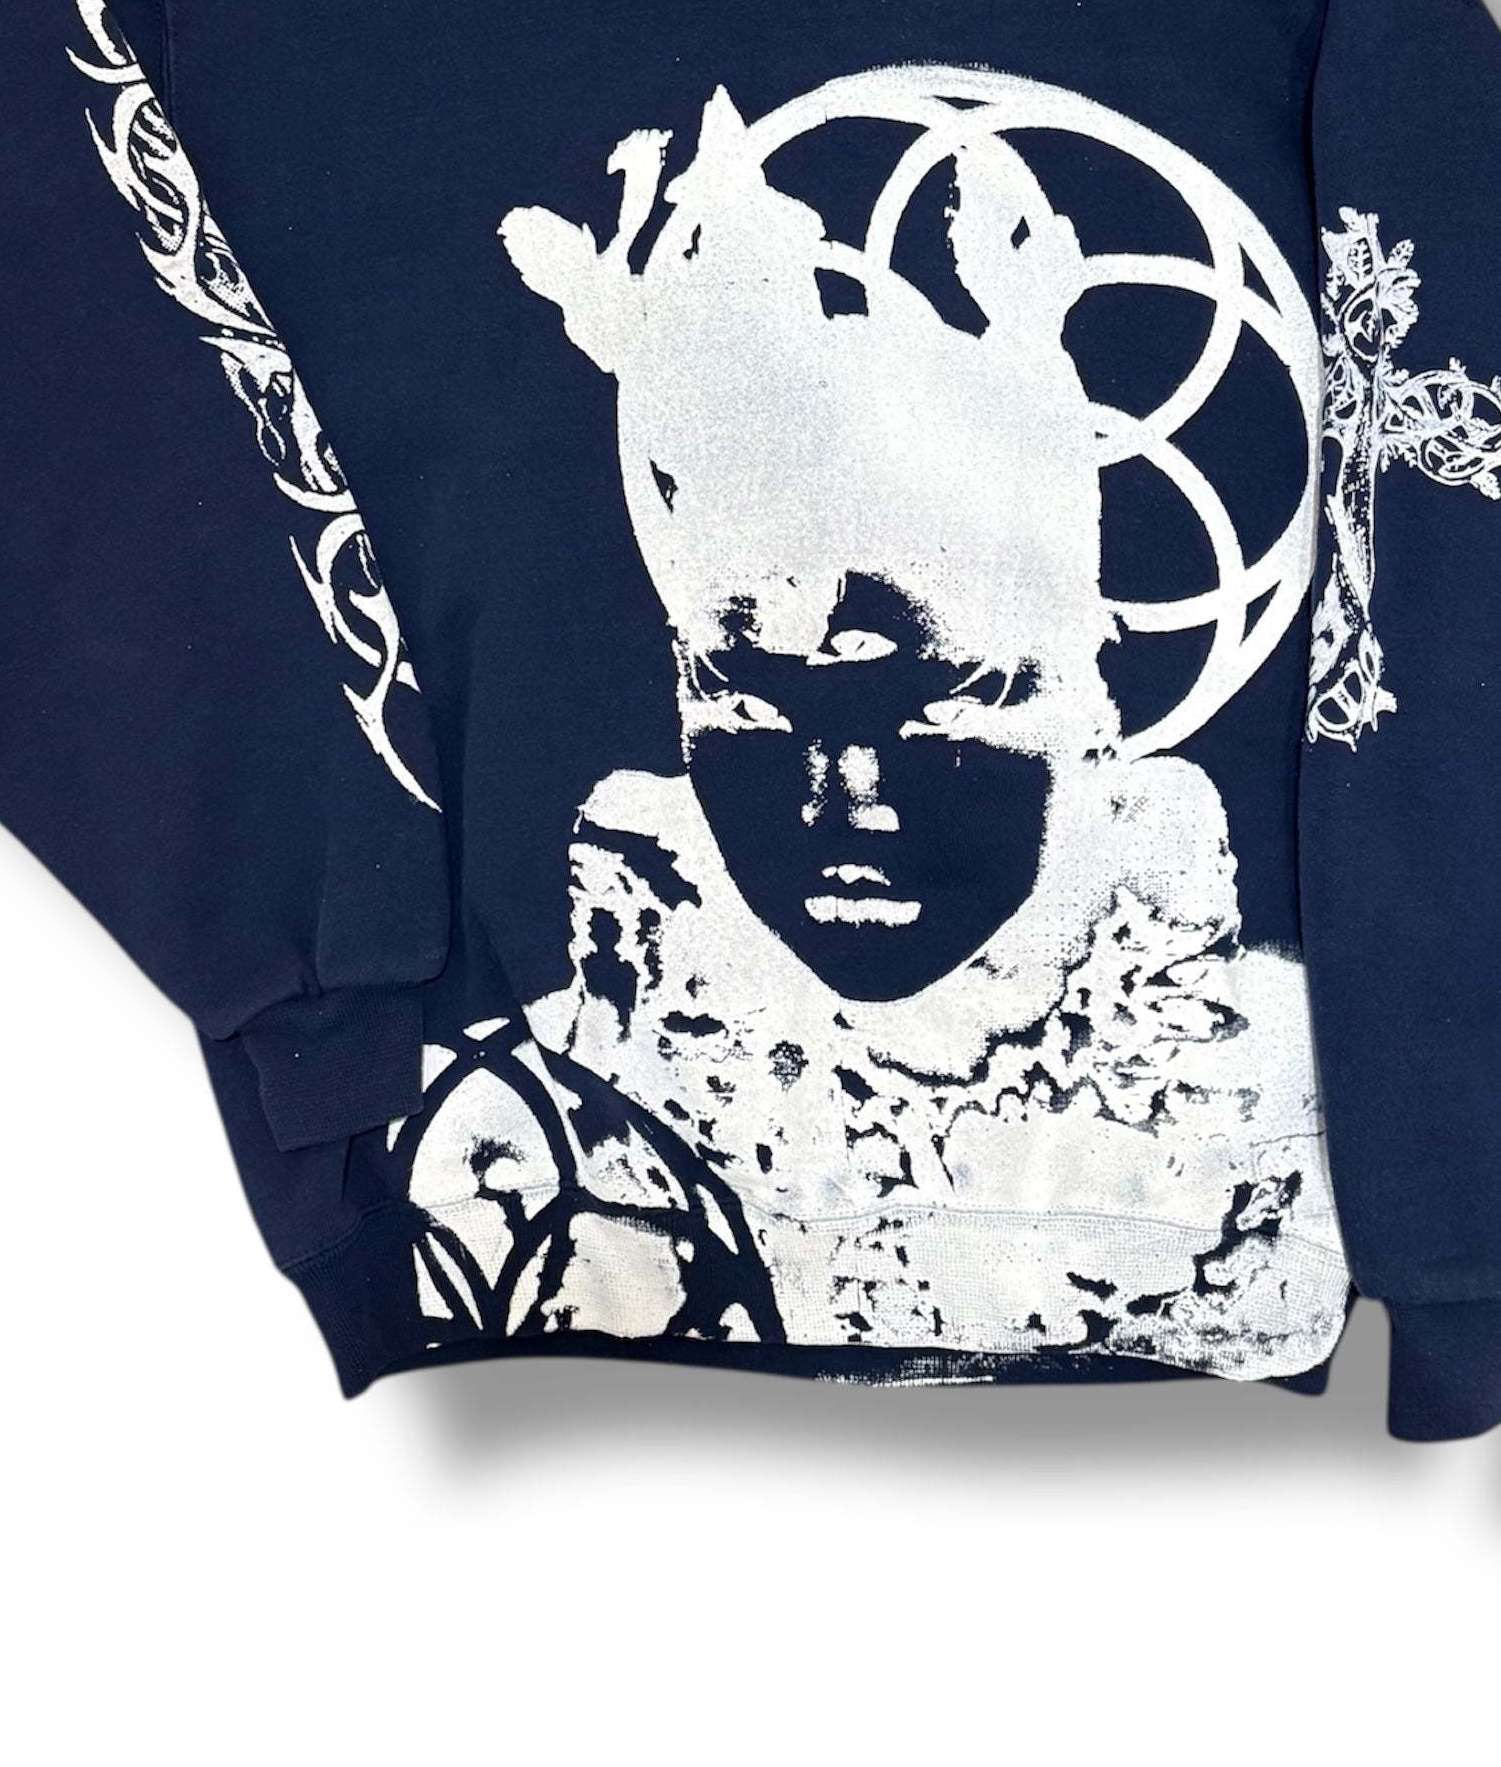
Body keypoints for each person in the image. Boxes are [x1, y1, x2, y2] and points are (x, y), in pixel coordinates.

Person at [385, 69, 1351, 1379]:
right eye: (748, 710)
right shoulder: (523, 1127)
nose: (843, 806)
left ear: (1085, 699)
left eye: (948, 714)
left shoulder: (1296, 1093)